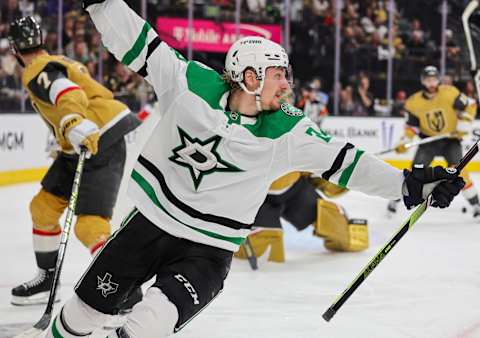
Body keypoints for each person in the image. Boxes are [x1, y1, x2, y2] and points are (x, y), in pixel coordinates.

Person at [43, 1, 464, 337]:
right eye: (279, 75)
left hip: (206, 251)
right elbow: (139, 39)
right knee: (78, 318)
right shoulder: (189, 83)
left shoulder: (288, 127)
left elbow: (346, 161)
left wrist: (410, 185)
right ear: (249, 76)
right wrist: (101, 3)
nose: (287, 85)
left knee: (148, 325)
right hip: (149, 226)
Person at [7, 16, 141, 306]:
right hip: (81, 142)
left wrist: (71, 121)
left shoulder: (34, 69)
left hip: (98, 139)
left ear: (14, 48)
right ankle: (47, 278)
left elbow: (68, 93)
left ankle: (125, 289)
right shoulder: (57, 59)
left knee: (90, 226)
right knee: (42, 208)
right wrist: (69, 131)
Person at [388, 65, 480, 217]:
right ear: (423, 81)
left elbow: (470, 104)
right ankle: (395, 199)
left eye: (434, 79)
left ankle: (476, 204)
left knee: (460, 172)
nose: (431, 83)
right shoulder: (413, 102)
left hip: (451, 140)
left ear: (438, 80)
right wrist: (404, 141)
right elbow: (411, 127)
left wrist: (465, 120)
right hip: (428, 141)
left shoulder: (450, 92)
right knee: (414, 174)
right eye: (428, 80)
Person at [235, 172, 366, 264]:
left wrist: (323, 173)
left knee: (338, 229)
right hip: (260, 196)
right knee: (264, 253)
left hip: (294, 188)